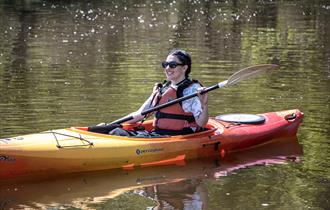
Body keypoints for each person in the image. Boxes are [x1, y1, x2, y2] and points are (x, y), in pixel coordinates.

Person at [110, 49, 208, 136]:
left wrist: (204, 104)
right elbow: (140, 114)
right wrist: (111, 125)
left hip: (178, 136)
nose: (167, 68)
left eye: (172, 65)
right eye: (165, 64)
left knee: (117, 133)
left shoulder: (192, 90)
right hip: (158, 134)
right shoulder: (163, 89)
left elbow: (201, 123)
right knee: (114, 130)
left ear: (184, 68)